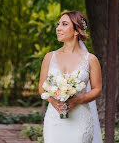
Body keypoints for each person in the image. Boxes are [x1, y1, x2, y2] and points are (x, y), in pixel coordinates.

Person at [39, 11, 103, 143]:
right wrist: (52, 100)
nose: (58, 28)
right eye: (58, 24)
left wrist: (77, 100)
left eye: (64, 24)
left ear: (76, 31)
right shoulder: (49, 57)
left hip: (80, 119)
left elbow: (97, 89)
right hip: (54, 119)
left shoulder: (90, 59)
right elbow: (41, 87)